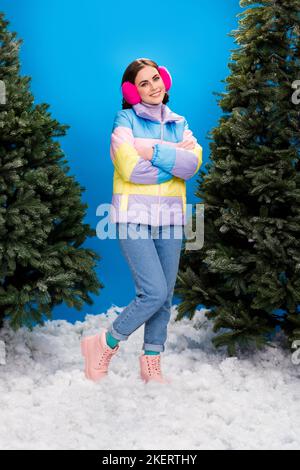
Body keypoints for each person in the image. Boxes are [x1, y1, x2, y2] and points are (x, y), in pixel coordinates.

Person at [81, 57, 202, 384]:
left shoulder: (180, 122)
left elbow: (191, 166)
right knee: (152, 291)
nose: (153, 87)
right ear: (132, 92)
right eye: (143, 83)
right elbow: (130, 169)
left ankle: (151, 360)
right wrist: (173, 155)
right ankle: (105, 343)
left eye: (155, 79)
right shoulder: (124, 120)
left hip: (171, 219)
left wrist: (151, 149)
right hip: (133, 217)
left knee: (164, 296)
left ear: (165, 79)